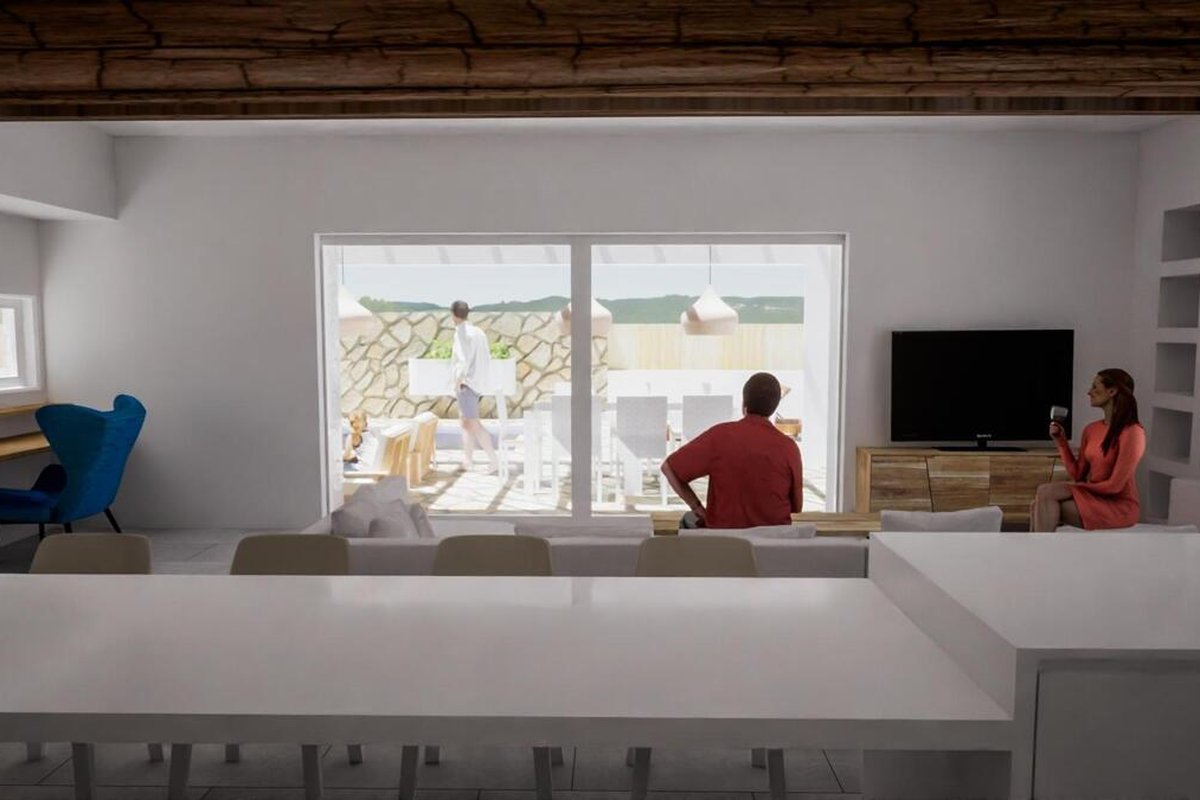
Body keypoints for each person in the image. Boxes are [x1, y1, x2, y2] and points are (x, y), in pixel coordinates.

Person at [661, 372, 803, 529]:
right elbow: (796, 507)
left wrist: (697, 507)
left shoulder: (720, 436)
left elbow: (669, 468)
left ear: (744, 403)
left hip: (724, 539)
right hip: (773, 540)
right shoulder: (789, 448)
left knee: (687, 521)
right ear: (774, 407)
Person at [1031, 368, 1145, 532]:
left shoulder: (1133, 432)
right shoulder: (1091, 430)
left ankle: (1039, 548)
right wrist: (1061, 442)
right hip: (1095, 498)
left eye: (1095, 387)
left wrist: (1070, 489)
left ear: (1112, 391)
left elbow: (1115, 486)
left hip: (1119, 506)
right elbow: (1077, 474)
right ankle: (1039, 547)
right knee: (1038, 503)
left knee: (1045, 494)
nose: (1089, 392)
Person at [449, 300, 499, 473]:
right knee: (466, 423)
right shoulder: (478, 332)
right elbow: (485, 359)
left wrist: (458, 381)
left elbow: (462, 360)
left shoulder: (462, 332)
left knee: (472, 423)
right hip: (476, 384)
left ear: (453, 315)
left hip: (467, 384)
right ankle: (467, 460)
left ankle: (494, 460)